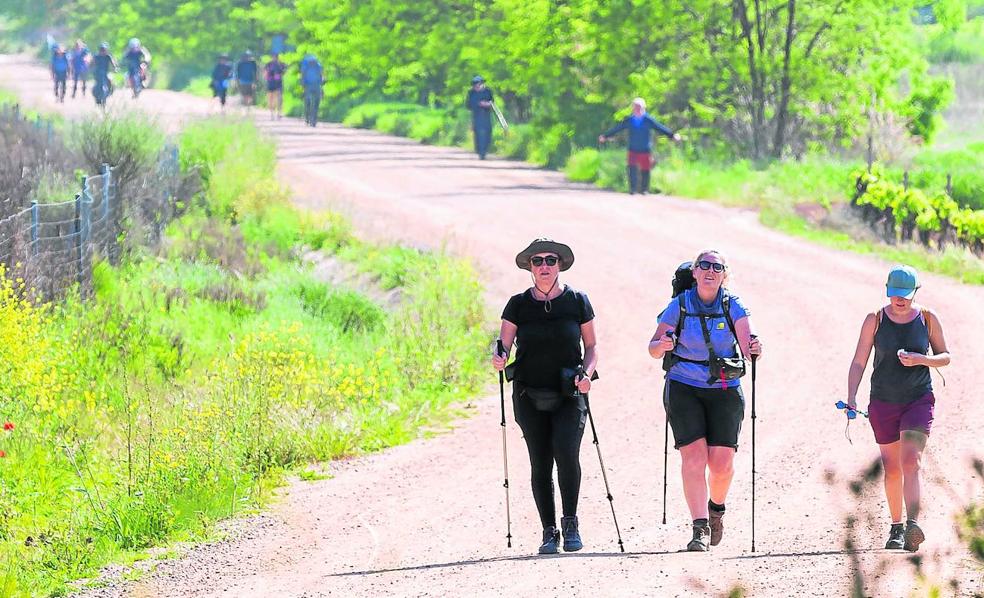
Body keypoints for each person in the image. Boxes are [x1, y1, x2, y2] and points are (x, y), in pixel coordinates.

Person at [648, 250, 762, 551]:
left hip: (725, 388)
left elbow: (748, 342)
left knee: (722, 465)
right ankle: (699, 527)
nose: (710, 271)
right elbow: (653, 348)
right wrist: (664, 344)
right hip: (684, 386)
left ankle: (716, 509)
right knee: (694, 458)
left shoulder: (732, 305)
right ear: (695, 272)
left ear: (724, 274)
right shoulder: (680, 304)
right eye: (704, 266)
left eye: (717, 267)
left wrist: (754, 347)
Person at [492, 238, 598, 555]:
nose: (544, 267)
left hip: (569, 391)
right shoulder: (517, 305)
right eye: (537, 261)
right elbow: (503, 345)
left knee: (566, 454)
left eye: (551, 260)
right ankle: (548, 532)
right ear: (530, 267)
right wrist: (498, 357)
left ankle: (570, 523)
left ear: (560, 264)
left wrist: (587, 374)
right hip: (528, 392)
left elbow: (591, 346)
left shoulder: (578, 301)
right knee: (540, 462)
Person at [846, 265, 950, 553]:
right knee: (892, 468)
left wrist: (921, 359)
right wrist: (852, 396)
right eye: (894, 295)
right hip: (882, 401)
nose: (899, 300)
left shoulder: (928, 318)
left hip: (918, 399)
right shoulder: (875, 319)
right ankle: (896, 526)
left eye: (905, 295)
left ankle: (913, 524)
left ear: (915, 292)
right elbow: (859, 361)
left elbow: (945, 356)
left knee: (910, 461)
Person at [598, 97, 681, 195]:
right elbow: (618, 128)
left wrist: (672, 135)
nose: (637, 108)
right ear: (633, 108)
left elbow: (660, 128)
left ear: (644, 107)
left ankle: (644, 190)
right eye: (635, 106)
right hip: (633, 148)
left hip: (645, 148)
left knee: (646, 169)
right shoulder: (629, 120)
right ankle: (633, 190)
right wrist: (605, 136)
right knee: (631, 168)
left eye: (639, 106)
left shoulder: (648, 120)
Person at [466, 75, 494, 159]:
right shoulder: (471, 92)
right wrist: (478, 104)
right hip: (476, 115)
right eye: (475, 84)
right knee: (478, 134)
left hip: (486, 115)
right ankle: (480, 152)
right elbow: (468, 105)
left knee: (488, 133)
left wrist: (487, 104)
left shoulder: (488, 91)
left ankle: (485, 151)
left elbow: (492, 102)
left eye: (478, 83)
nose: (477, 85)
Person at [300, 53, 324, 127]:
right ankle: (313, 120)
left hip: (308, 86)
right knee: (316, 103)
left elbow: (303, 75)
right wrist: (322, 84)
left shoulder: (306, 66)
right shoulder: (318, 65)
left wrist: (302, 84)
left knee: (308, 102)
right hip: (317, 86)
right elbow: (321, 75)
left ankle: (308, 118)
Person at [91, 42, 117, 106]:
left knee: (111, 82)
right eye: (101, 50)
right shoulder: (96, 56)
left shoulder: (108, 57)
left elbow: (113, 63)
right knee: (97, 84)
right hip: (98, 73)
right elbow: (92, 64)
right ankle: (96, 95)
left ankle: (110, 92)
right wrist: (92, 68)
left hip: (106, 73)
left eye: (104, 50)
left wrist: (115, 68)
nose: (103, 51)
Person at [264, 52, 285, 119]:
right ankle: (275, 113)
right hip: (276, 83)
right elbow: (284, 72)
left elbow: (265, 73)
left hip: (273, 83)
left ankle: (276, 113)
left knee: (275, 99)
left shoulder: (269, 64)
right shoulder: (280, 64)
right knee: (275, 99)